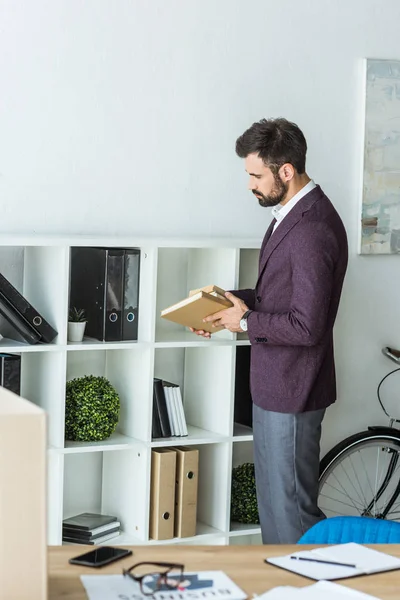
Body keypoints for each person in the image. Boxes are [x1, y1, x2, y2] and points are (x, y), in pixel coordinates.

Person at [190, 117, 348, 543]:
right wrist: (227, 302)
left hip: (293, 390)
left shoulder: (312, 228)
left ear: (285, 171)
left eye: (255, 175)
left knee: (291, 517)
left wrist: (242, 322)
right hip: (276, 388)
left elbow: (307, 325)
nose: (250, 185)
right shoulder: (290, 214)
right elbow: (279, 295)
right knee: (276, 513)